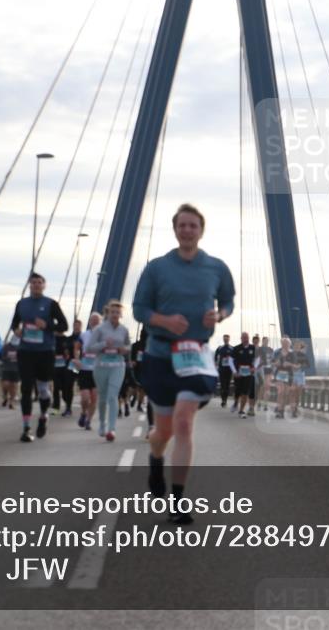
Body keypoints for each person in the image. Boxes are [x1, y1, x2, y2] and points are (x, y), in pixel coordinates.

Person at [133, 203, 234, 525]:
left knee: (184, 423)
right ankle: (155, 457)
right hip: (160, 356)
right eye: (182, 225)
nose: (187, 230)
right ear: (175, 229)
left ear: (201, 230)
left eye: (193, 225)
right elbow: (139, 309)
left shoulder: (216, 268)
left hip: (195, 354)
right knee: (162, 432)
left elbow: (228, 302)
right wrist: (163, 319)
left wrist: (219, 315)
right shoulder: (156, 268)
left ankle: (177, 501)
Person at [10, 273, 68, 442]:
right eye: (33, 282)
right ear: (29, 285)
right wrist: (16, 330)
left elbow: (64, 326)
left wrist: (47, 326)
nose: (36, 285)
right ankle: (26, 428)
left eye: (39, 283)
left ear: (44, 285)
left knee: (43, 389)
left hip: (45, 352)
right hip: (26, 351)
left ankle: (43, 416)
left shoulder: (51, 304)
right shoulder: (21, 304)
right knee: (26, 388)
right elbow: (14, 323)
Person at [87, 300, 131, 442]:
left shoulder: (124, 330)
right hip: (101, 365)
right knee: (103, 397)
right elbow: (89, 348)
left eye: (117, 312)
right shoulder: (99, 329)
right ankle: (102, 424)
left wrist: (124, 349)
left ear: (121, 314)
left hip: (118, 365)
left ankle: (112, 429)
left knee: (113, 396)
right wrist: (104, 344)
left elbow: (129, 346)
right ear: (107, 313)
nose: (115, 314)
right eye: (112, 312)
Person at [75, 312, 101, 430]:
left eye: (97, 320)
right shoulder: (84, 335)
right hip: (85, 369)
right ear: (89, 322)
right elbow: (76, 347)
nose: (95, 322)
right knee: (85, 398)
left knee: (94, 398)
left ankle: (88, 421)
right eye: (92, 320)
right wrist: (76, 359)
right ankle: (83, 413)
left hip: (98, 370)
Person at [231, 332, 257, 418]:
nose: (245, 339)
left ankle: (241, 410)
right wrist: (234, 371)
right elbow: (230, 361)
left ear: (249, 338)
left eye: (247, 337)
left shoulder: (253, 348)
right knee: (238, 391)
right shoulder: (236, 348)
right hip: (239, 373)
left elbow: (258, 359)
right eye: (244, 337)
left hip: (249, 373)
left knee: (245, 392)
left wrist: (254, 367)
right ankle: (235, 402)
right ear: (241, 338)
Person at [272, 337, 296, 418]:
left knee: (286, 393)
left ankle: (281, 408)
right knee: (281, 392)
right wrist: (276, 363)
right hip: (279, 374)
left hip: (289, 375)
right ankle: (280, 411)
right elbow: (272, 363)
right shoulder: (277, 352)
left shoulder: (293, 354)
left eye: (287, 343)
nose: (285, 345)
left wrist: (290, 364)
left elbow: (297, 366)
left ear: (290, 344)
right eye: (284, 343)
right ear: (281, 344)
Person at [214, 334, 234, 409]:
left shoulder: (232, 348)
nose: (226, 340)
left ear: (229, 339)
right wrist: (216, 364)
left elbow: (235, 358)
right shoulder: (220, 348)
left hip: (229, 369)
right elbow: (215, 358)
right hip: (221, 369)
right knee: (223, 385)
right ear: (223, 339)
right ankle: (223, 400)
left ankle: (225, 399)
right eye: (224, 339)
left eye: (227, 339)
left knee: (227, 385)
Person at [0, 338, 20, 409]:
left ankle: (12, 402)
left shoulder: (20, 346)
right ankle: (5, 396)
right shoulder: (6, 346)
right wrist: (8, 358)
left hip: (16, 369)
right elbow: (1, 356)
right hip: (6, 368)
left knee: (14, 385)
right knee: (6, 384)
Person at [291, 340, 309, 417]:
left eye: (298, 346)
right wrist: (292, 366)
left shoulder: (303, 355)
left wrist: (300, 366)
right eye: (295, 346)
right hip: (292, 375)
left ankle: (295, 408)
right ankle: (293, 410)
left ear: (300, 347)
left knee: (298, 394)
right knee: (294, 393)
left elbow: (308, 365)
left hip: (300, 375)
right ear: (293, 347)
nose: (297, 347)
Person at [255, 336, 274, 410]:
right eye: (264, 341)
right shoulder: (259, 349)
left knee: (267, 387)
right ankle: (259, 402)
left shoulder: (271, 349)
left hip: (269, 369)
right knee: (262, 387)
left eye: (267, 341)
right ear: (262, 341)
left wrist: (273, 368)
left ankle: (265, 404)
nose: (266, 342)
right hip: (262, 369)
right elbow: (257, 359)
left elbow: (273, 359)